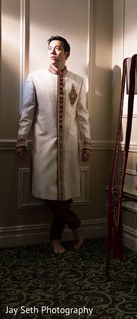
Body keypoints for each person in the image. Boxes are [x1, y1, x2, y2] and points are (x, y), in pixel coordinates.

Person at [16, 35, 91, 254]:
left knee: (65, 195)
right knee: (45, 190)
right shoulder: (35, 78)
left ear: (66, 54)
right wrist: (21, 139)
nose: (53, 52)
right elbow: (27, 113)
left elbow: (83, 115)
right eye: (50, 48)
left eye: (58, 48)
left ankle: (55, 239)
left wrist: (87, 143)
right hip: (43, 145)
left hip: (70, 145)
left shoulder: (78, 81)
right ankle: (76, 224)